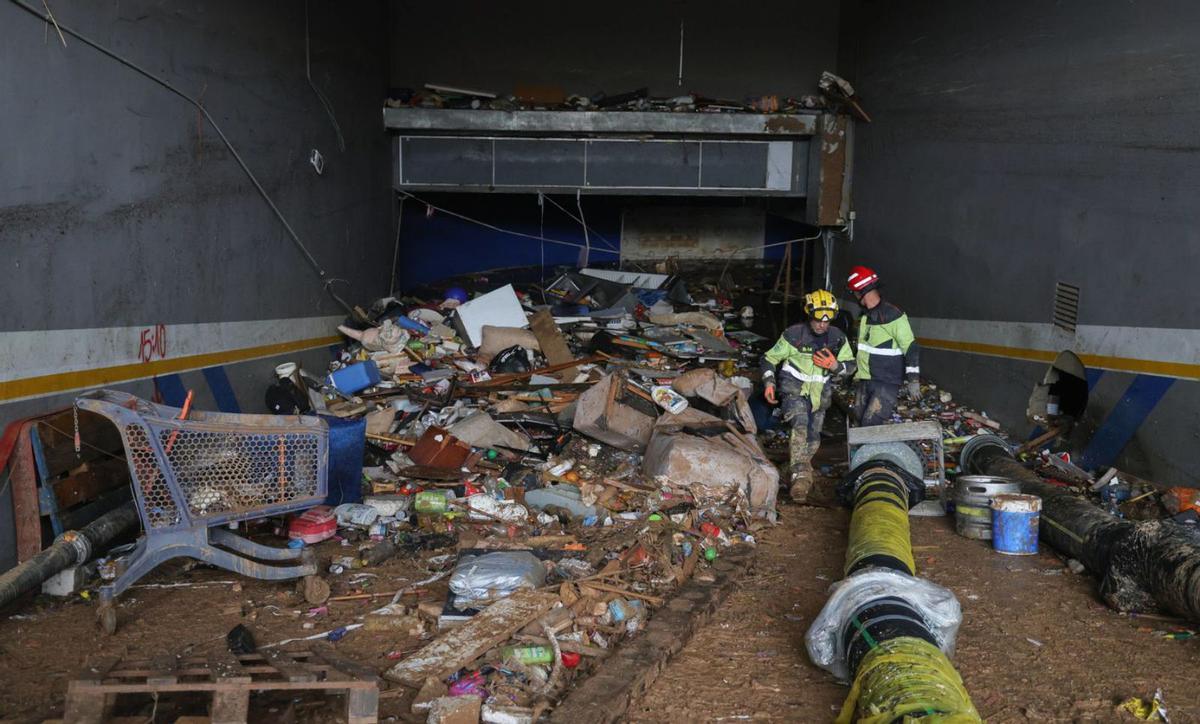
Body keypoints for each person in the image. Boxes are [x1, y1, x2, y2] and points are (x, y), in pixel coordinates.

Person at [762, 290, 855, 502]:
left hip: (820, 398)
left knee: (813, 441)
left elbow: (851, 367)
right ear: (809, 313)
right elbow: (768, 359)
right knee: (800, 426)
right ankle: (800, 479)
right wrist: (769, 382)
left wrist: (835, 366)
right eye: (818, 319)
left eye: (828, 319)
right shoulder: (794, 335)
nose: (822, 324)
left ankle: (792, 469)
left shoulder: (837, 338)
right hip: (794, 391)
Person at [846, 265, 921, 426]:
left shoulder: (894, 315)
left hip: (885, 382)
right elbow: (864, 350)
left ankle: (873, 452)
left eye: (854, 293)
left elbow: (911, 347)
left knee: (870, 425)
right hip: (865, 380)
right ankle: (861, 451)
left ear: (860, 292)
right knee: (859, 422)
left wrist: (913, 379)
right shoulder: (865, 317)